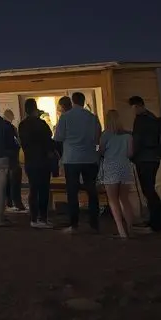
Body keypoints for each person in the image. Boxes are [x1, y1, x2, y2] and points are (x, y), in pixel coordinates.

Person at [54, 92, 102, 233]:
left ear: (73, 101)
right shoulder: (92, 118)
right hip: (90, 158)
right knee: (92, 191)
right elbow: (97, 138)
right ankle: (94, 223)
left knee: (72, 192)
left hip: (72, 159)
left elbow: (58, 138)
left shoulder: (65, 117)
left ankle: (74, 225)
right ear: (83, 101)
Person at [19, 98, 57, 228]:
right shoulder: (41, 124)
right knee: (44, 189)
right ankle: (43, 218)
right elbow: (49, 137)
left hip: (30, 160)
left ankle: (33, 218)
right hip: (43, 160)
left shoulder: (22, 125)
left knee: (33, 189)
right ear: (35, 109)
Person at [129, 95, 161, 232]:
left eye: (133, 108)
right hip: (154, 158)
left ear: (137, 106)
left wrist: (132, 155)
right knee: (150, 190)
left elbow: (137, 140)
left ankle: (156, 223)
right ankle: (156, 221)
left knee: (148, 190)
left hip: (144, 159)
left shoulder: (140, 119)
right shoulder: (152, 117)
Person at [100, 109, 136, 238]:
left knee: (113, 200)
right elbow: (130, 154)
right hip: (125, 167)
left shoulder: (105, 135)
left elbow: (102, 151)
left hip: (111, 168)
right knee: (125, 199)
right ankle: (131, 228)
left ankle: (121, 230)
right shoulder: (128, 136)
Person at [3, 109, 27, 212]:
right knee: (15, 181)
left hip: (3, 158)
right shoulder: (11, 128)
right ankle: (17, 202)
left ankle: (8, 202)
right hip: (12, 157)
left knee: (6, 181)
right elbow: (18, 141)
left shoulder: (0, 127)